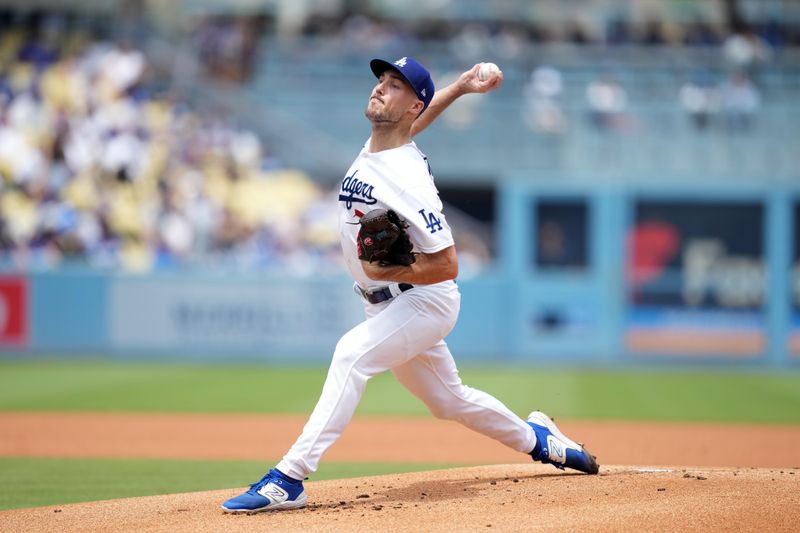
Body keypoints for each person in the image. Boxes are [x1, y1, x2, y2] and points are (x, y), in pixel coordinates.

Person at [221, 56, 599, 514]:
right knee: (449, 401)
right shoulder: (384, 145)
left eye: (395, 85)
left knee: (350, 356)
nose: (381, 88)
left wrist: (389, 272)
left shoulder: (408, 181)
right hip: (386, 305)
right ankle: (539, 440)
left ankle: (289, 478)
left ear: (410, 105)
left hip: (424, 301)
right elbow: (413, 124)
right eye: (381, 80)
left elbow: (448, 264)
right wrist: (458, 88)